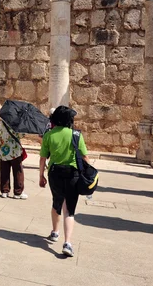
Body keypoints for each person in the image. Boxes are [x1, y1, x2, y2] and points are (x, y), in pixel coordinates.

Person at [39, 106, 90, 258]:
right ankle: (67, 243)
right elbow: (85, 157)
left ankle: (55, 232)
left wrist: (41, 175)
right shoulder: (76, 135)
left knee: (56, 203)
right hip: (73, 175)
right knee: (69, 210)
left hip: (55, 174)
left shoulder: (48, 134)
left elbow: (43, 158)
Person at [0, 117, 27, 199]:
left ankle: (4, 191)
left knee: (4, 171)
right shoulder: (15, 124)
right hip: (14, 151)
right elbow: (21, 135)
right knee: (18, 171)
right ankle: (18, 192)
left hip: (3, 150)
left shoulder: (1, 124)